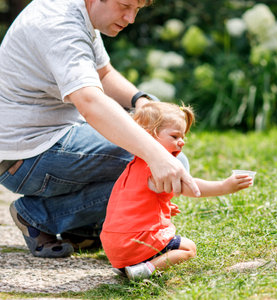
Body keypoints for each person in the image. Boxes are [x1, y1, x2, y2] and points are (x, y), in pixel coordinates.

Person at [0, 0, 200, 258]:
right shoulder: (60, 25)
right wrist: (157, 155)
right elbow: (90, 102)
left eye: (137, 9)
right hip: (28, 155)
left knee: (162, 157)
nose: (130, 18)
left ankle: (79, 226)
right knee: (172, 159)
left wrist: (142, 101)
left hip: (40, 143)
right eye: (125, 5)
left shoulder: (77, 11)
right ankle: (40, 216)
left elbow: (103, 74)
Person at [100, 102, 253, 280]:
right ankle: (146, 269)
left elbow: (130, 205)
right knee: (189, 248)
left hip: (114, 247)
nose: (182, 142)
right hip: (136, 244)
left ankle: (127, 266)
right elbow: (192, 187)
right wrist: (224, 186)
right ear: (149, 136)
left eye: (182, 136)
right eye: (174, 136)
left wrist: (158, 208)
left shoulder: (133, 166)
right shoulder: (156, 170)